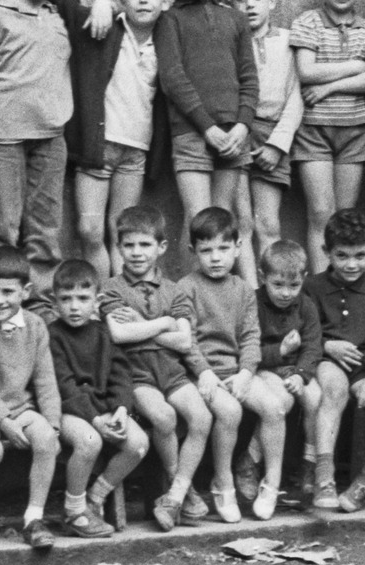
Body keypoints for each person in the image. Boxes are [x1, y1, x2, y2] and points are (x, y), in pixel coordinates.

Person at [101, 204, 216, 532]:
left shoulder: (174, 290)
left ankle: (174, 495)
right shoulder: (112, 288)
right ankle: (184, 491)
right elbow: (120, 334)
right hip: (136, 375)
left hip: (171, 372)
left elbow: (184, 341)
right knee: (164, 417)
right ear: (119, 247)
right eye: (129, 245)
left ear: (161, 247)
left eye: (145, 244)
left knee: (202, 417)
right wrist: (164, 322)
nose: (137, 253)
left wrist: (143, 324)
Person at [0, 0, 82, 283]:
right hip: (3, 135)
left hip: (51, 136)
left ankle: (40, 301)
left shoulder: (58, 17)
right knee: (3, 228)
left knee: (45, 227)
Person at [155, 0, 258, 266]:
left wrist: (242, 126)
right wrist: (206, 127)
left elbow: (249, 77)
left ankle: (219, 295)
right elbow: (173, 79)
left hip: (233, 133)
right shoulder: (170, 19)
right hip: (191, 132)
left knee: (222, 220)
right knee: (198, 221)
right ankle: (188, 296)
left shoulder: (236, 18)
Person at [288, 0, 365, 272]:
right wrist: (357, 66)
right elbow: (306, 71)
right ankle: (321, 285)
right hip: (314, 131)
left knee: (344, 218)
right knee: (321, 212)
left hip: (354, 131)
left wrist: (330, 86)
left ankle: (342, 286)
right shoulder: (308, 22)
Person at [0, 249, 64, 550]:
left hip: (22, 408)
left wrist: (53, 425)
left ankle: (33, 518)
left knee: (46, 438)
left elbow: (45, 380)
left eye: (8, 292)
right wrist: (4, 422)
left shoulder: (35, 325)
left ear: (25, 292)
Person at [305, 209, 365, 514]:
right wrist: (327, 345)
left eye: (360, 255)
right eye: (342, 255)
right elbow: (304, 332)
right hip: (327, 359)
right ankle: (324, 476)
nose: (351, 264)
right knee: (334, 389)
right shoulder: (313, 287)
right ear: (326, 252)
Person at [74, 0, 167, 280]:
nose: (143, 0)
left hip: (136, 151)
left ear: (164, 0)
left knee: (122, 232)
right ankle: (101, 297)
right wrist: (103, 3)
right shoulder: (111, 28)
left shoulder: (166, 37)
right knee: (89, 229)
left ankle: (119, 298)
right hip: (99, 146)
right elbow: (70, 9)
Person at [167, 207, 260, 521]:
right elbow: (187, 339)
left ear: (238, 247)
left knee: (274, 407)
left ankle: (271, 484)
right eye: (206, 251)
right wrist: (203, 371)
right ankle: (223, 481)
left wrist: (246, 372)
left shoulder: (243, 290)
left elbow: (250, 336)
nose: (216, 258)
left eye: (223, 248)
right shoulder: (186, 287)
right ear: (193, 251)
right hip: (199, 374)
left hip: (234, 372)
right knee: (231, 411)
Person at [46, 259, 149, 538]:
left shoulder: (104, 333)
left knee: (138, 443)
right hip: (69, 411)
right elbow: (64, 385)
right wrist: (95, 419)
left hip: (103, 409)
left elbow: (121, 374)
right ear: (54, 302)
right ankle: (74, 511)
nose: (74, 307)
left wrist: (121, 410)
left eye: (83, 298)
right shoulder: (53, 336)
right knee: (90, 441)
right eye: (66, 299)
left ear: (97, 301)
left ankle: (95, 497)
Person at [229, 0, 304, 286]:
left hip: (273, 135)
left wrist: (278, 144)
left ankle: (274, 292)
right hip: (237, 133)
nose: (249, 5)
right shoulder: (228, 42)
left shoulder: (289, 41)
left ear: (271, 1)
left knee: (268, 223)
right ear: (231, 4)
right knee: (242, 222)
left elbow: (297, 95)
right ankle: (252, 294)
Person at [251, 238, 320, 517]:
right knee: (282, 401)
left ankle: (310, 462)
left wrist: (302, 375)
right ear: (262, 277)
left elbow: (313, 346)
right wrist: (279, 351)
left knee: (314, 398)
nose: (285, 293)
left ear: (304, 279)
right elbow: (248, 349)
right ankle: (253, 461)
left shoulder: (306, 306)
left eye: (294, 285)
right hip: (265, 368)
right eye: (277, 285)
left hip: (296, 369)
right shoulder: (254, 304)